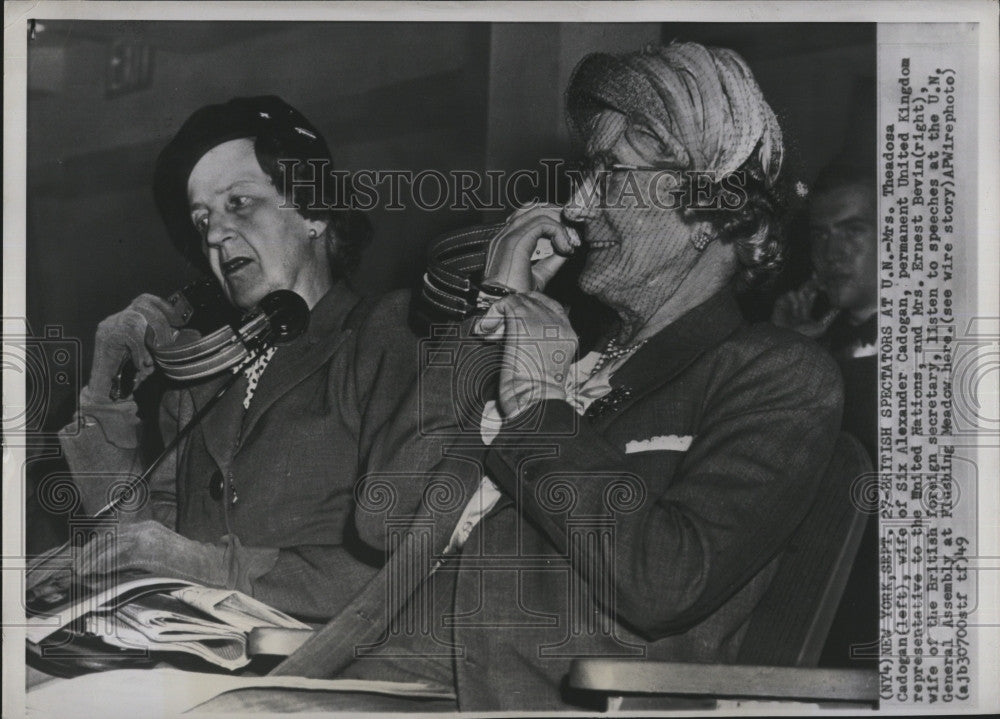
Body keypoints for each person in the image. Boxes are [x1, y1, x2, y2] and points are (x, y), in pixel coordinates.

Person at [198, 43, 852, 712]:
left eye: (610, 174)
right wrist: (493, 310)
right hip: (386, 675)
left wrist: (539, 404)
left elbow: (666, 578)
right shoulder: (566, 349)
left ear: (708, 207)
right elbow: (385, 516)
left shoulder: (777, 373)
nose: (577, 204)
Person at [36, 96, 419, 621]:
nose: (214, 234)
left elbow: (405, 562)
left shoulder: (388, 334)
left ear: (314, 210)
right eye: (202, 220)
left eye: (239, 202)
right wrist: (108, 395)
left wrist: (211, 566)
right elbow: (132, 552)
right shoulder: (199, 382)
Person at [771, 161, 879, 668]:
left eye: (854, 230)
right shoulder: (815, 341)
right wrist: (784, 352)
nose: (831, 253)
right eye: (820, 235)